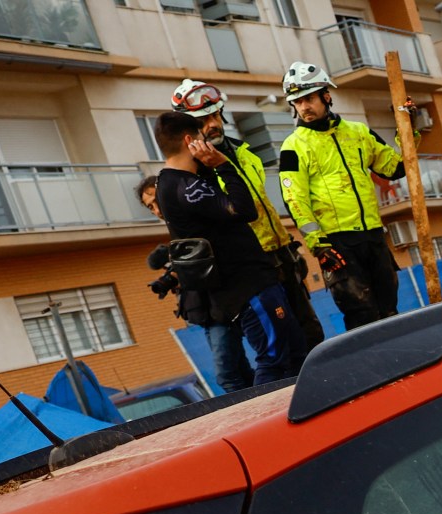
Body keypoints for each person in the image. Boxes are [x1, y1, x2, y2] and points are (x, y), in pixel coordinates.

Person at [170, 79, 326, 361]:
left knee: (310, 334)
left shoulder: (244, 152)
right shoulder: (196, 173)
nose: (212, 124)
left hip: (282, 255)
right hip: (254, 266)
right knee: (280, 348)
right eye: (203, 120)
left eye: (216, 115)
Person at [151, 110, 302, 386]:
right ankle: (270, 424)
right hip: (247, 286)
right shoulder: (185, 186)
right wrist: (223, 165)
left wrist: (207, 167)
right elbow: (244, 210)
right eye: (200, 138)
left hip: (248, 284)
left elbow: (214, 205)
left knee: (293, 356)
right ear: (189, 141)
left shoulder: (175, 181)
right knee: (274, 362)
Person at [276, 61, 406, 330]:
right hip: (337, 243)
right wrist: (319, 245)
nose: (303, 107)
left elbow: (396, 168)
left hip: (372, 235)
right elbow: (294, 200)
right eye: (297, 101)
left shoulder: (358, 132)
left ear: (326, 94)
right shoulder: (293, 146)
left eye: (308, 98)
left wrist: (408, 129)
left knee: (390, 311)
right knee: (362, 317)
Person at [137, 175, 237, 387]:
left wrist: (180, 272)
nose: (156, 210)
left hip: (224, 305)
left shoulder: (192, 220)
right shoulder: (176, 230)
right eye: (149, 207)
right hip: (207, 312)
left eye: (156, 201)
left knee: (227, 375)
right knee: (234, 372)